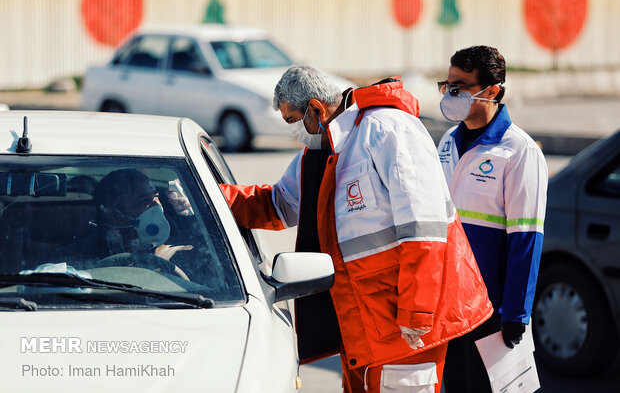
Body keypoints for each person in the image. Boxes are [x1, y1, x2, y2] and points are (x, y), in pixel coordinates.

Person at [220, 65, 493, 393]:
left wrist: (417, 314)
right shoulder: (322, 154)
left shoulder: (388, 130)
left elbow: (424, 228)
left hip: (405, 326)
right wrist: (208, 195)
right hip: (364, 324)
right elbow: (276, 204)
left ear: (316, 110)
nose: (293, 132)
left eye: (292, 120)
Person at [436, 46, 548, 393]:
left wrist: (515, 312)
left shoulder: (519, 151)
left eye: (461, 86)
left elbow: (525, 238)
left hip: (490, 307)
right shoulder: (446, 143)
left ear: (493, 90)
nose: (451, 94)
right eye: (447, 85)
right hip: (449, 305)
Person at [92, 168, 194, 278]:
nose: (156, 206)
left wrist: (195, 212)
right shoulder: (87, 253)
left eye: (156, 197)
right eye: (144, 201)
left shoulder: (181, 255)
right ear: (114, 215)